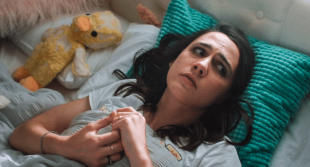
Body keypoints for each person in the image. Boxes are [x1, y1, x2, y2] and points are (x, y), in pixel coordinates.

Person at [10, 23, 255, 167]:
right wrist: (67, 147)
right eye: (199, 51)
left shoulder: (216, 153)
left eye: (220, 68)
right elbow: (22, 134)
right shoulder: (126, 93)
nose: (202, 65)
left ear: (224, 96)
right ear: (173, 60)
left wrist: (139, 153)